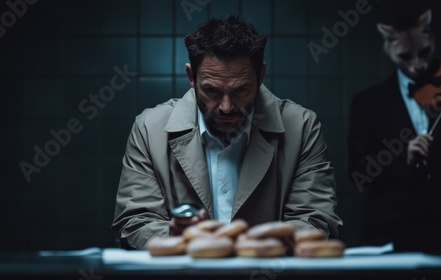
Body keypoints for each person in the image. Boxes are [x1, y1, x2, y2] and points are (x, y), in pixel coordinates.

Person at [111, 15, 342, 250]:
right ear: (192, 77)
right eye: (211, 90)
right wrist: (172, 239)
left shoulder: (302, 126)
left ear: (260, 76)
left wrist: (244, 246)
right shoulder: (150, 128)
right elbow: (134, 222)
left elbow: (317, 220)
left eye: (241, 89)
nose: (226, 106)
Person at [348, 8, 441, 252]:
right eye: (406, 56)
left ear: (431, 38)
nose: (417, 64)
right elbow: (358, 172)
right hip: (392, 229)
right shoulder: (367, 102)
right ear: (389, 48)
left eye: (424, 52)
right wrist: (404, 157)